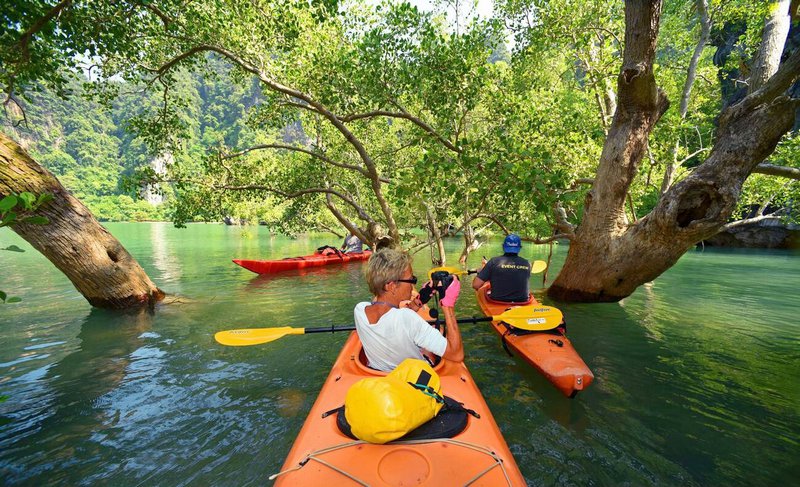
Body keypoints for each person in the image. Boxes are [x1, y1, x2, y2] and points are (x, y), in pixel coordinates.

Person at [354, 249, 464, 372]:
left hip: (379, 373)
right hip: (414, 377)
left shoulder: (359, 310)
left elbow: (391, 315)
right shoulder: (407, 318)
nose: (413, 286)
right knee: (433, 335)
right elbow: (456, 354)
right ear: (391, 286)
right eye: (411, 280)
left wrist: (419, 301)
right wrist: (448, 306)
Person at [471, 233, 532, 302]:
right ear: (519, 248)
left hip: (498, 302)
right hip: (523, 301)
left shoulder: (493, 262)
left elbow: (476, 285)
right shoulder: (527, 263)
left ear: (503, 246)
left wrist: (480, 273)